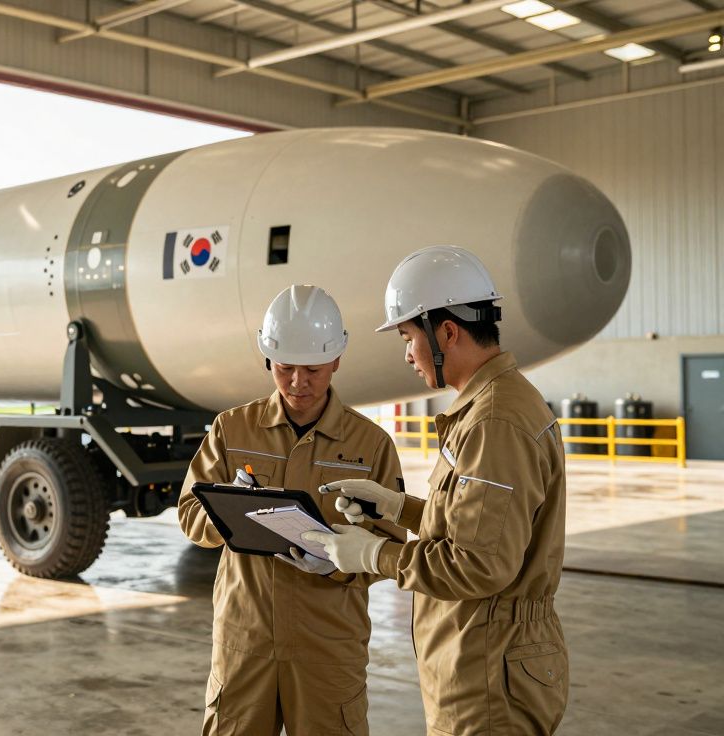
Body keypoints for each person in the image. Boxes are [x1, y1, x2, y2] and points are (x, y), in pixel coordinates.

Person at [304, 245, 569, 734]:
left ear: (446, 330)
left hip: (487, 668)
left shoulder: (494, 422)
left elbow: (479, 564)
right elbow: (478, 526)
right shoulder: (491, 407)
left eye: (408, 336)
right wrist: (397, 507)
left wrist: (374, 556)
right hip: (484, 654)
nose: (406, 353)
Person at [177, 284, 406, 736]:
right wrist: (228, 512)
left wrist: (339, 565)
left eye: (314, 369)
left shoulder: (370, 445)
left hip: (328, 646)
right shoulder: (232, 429)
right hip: (245, 642)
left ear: (337, 360)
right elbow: (189, 515)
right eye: (285, 368)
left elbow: (392, 546)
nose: (299, 383)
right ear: (268, 360)